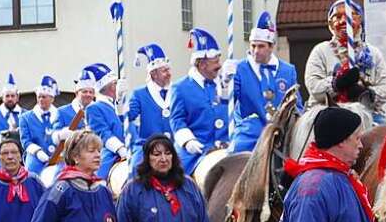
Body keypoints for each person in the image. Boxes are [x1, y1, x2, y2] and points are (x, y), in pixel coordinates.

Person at [305, 0, 386, 122]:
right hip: (328, 114)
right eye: (337, 17)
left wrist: (366, 93)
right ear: (330, 24)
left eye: (350, 16)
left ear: (359, 20)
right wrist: (336, 84)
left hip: (367, 115)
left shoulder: (373, 53)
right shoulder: (320, 51)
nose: (343, 21)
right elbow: (313, 86)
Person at [228, 12, 302, 153]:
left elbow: (297, 104)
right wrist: (225, 83)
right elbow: (227, 101)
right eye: (253, 46)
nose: (255, 51)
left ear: (271, 46)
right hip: (249, 134)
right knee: (235, 161)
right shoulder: (239, 69)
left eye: (261, 46)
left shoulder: (288, 70)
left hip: (283, 133)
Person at [170, 28, 230, 174]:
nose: (220, 65)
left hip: (227, 147)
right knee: (176, 182)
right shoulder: (180, 88)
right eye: (215, 62)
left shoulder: (225, 83)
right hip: (197, 150)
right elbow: (177, 120)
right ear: (202, 64)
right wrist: (188, 141)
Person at [127, 44, 174, 168]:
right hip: (148, 146)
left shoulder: (177, 91)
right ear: (153, 74)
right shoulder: (139, 94)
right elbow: (128, 116)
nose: (168, 73)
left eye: (169, 69)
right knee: (135, 168)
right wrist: (120, 102)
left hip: (174, 145)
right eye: (164, 71)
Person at [82, 63, 128, 180]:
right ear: (108, 87)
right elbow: (103, 133)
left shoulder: (115, 105)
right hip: (109, 152)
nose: (118, 86)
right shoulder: (93, 108)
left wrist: (121, 102)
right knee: (101, 179)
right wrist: (120, 149)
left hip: (128, 148)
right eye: (115, 83)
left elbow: (126, 124)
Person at [20, 76, 70, 175]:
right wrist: (37, 152)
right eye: (39, 97)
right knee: (31, 174)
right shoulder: (25, 117)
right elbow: (25, 141)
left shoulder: (61, 114)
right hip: (35, 155)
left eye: (44, 97)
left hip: (58, 155)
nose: (41, 100)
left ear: (52, 98)